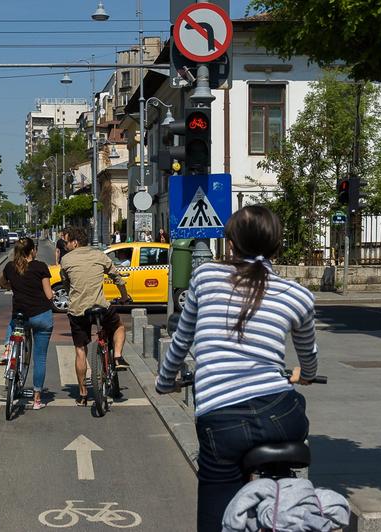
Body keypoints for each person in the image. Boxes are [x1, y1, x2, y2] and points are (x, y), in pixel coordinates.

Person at [155, 206, 318, 532]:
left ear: (230, 244)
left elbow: (182, 338)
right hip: (281, 415)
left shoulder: (206, 277)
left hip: (222, 421)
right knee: (294, 411)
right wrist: (307, 375)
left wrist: (164, 381)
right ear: (276, 245)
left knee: (215, 509)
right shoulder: (299, 296)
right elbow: (309, 358)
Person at [60, 226, 131, 406]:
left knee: (80, 350)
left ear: (75, 242)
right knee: (119, 327)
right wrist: (124, 296)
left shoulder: (66, 260)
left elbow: (66, 283)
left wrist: (74, 294)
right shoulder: (100, 255)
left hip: (78, 311)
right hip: (100, 307)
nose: (65, 244)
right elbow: (117, 277)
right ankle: (118, 357)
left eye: (67, 241)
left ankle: (83, 394)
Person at [0, 237, 54, 410]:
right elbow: (49, 295)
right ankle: (37, 400)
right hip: (41, 316)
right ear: (32, 251)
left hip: (22, 315)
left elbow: (2, 283)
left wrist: (14, 287)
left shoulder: (10, 266)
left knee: (14, 322)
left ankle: (8, 349)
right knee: (40, 358)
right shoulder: (41, 267)